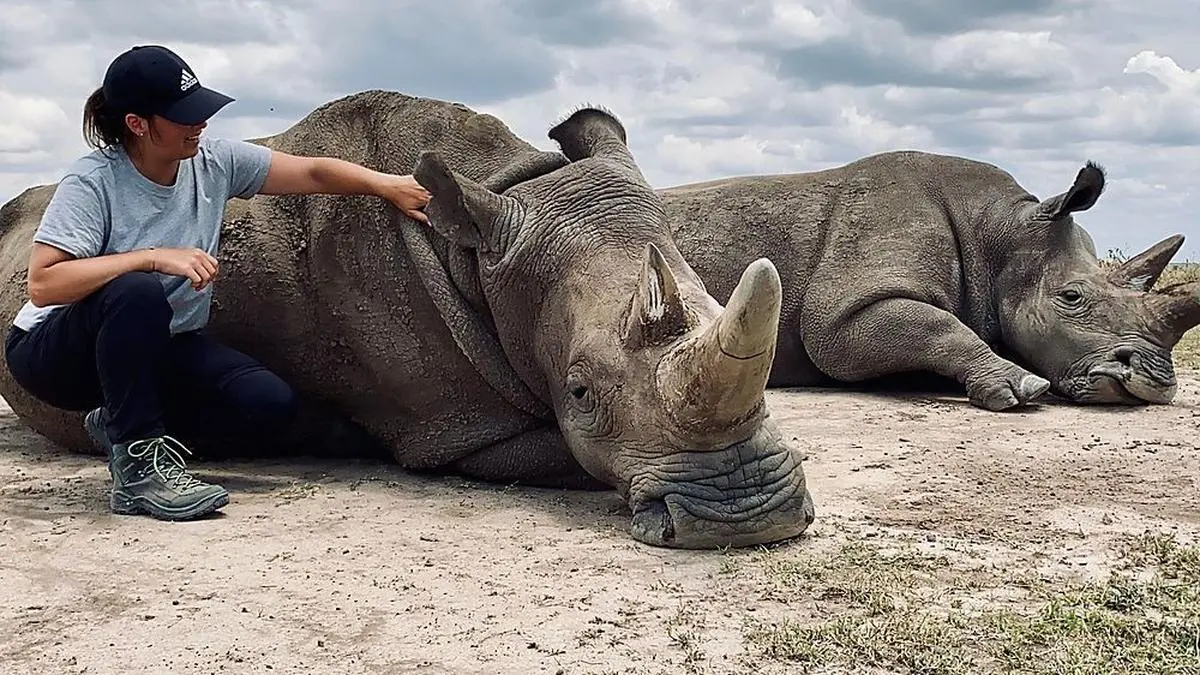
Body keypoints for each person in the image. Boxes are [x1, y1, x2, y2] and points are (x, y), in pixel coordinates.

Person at [3, 45, 432, 522]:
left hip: (153, 347)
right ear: (137, 124)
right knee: (137, 290)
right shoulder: (94, 182)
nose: (199, 123)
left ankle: (119, 420)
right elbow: (43, 284)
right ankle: (139, 475)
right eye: (183, 115)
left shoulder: (213, 161)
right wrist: (150, 258)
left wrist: (386, 185)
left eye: (200, 110)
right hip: (55, 352)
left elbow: (310, 170)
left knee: (267, 403)